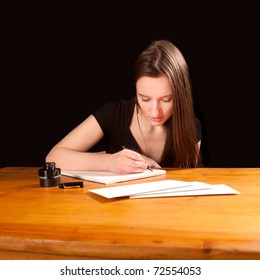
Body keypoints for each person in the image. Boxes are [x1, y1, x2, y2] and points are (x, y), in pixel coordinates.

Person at [46, 39, 202, 173]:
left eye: (167, 99)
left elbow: (188, 181)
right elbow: (53, 158)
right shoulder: (114, 114)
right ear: (136, 89)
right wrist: (109, 162)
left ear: (181, 95)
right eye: (145, 99)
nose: (155, 111)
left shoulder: (191, 127)